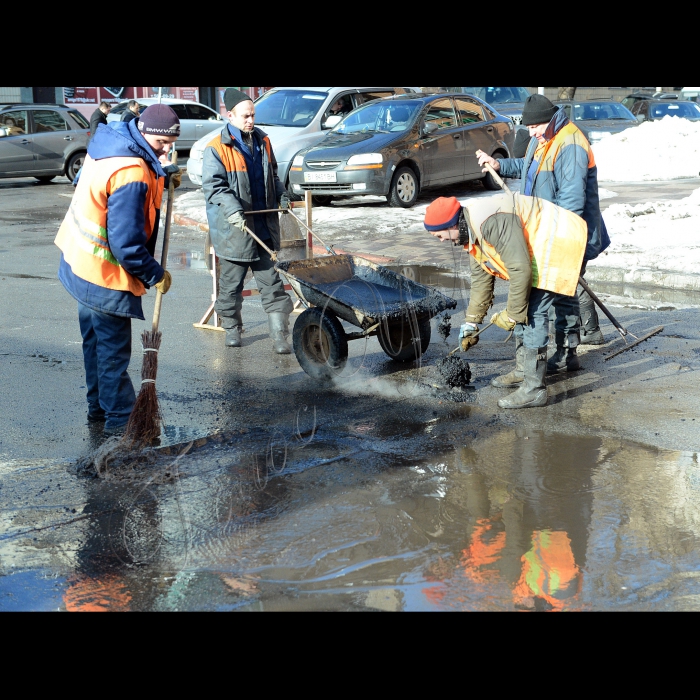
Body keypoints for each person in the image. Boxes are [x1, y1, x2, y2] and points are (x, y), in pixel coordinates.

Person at [54, 104, 182, 435]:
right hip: (104, 277)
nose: (167, 149)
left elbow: (119, 175)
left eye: (171, 142)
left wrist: (162, 173)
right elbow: (126, 245)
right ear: (144, 132)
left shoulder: (108, 142)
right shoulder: (133, 173)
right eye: (161, 143)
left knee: (94, 345)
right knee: (112, 356)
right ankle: (121, 432)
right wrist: (155, 274)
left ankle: (98, 410)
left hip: (78, 264)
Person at [424, 184, 588, 409]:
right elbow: (481, 278)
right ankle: (524, 371)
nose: (441, 240)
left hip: (561, 240)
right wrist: (472, 321)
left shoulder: (490, 222)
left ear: (451, 224)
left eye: (440, 235)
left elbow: (521, 270)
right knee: (523, 305)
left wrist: (512, 314)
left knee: (531, 311)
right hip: (541, 247)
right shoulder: (471, 232)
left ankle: (534, 390)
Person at [476, 94, 605, 376]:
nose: (530, 133)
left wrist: (554, 241)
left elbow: (571, 201)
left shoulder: (570, 143)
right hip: (545, 230)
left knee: (538, 300)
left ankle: (535, 371)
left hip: (565, 233)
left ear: (549, 120)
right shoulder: (542, 137)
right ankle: (567, 355)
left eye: (534, 127)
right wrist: (500, 166)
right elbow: (528, 167)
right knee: (565, 295)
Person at [201, 88, 294, 354]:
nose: (250, 120)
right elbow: (215, 187)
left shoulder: (263, 142)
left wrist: (282, 195)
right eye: (245, 116)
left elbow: (273, 176)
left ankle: (279, 335)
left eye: (252, 115)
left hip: (263, 227)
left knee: (273, 286)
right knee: (231, 288)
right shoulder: (216, 148)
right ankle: (232, 328)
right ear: (229, 115)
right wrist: (232, 210)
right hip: (235, 231)